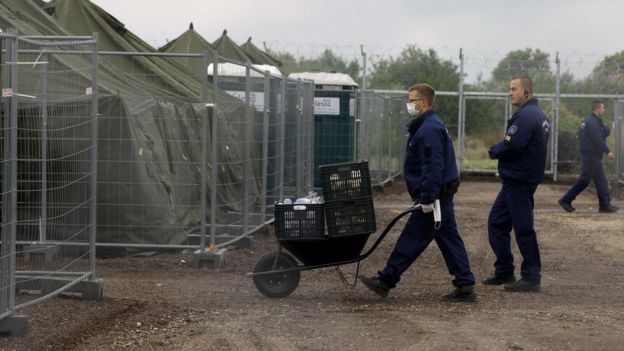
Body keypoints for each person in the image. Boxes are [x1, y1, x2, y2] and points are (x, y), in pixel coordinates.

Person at [359, 83, 476, 302]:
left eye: (411, 100)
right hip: (440, 196)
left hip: (435, 197)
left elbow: (433, 167)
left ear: (423, 103)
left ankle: (386, 280)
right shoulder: (427, 126)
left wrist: (428, 197)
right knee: (449, 239)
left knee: (412, 237)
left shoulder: (430, 129)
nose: (408, 104)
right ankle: (465, 284)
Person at [483, 76, 550, 293]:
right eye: (509, 89)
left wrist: (494, 150)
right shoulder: (537, 114)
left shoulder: (526, 116)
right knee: (496, 223)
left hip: (519, 181)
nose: (509, 93)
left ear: (527, 92)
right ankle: (504, 270)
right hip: (517, 179)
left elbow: (514, 145)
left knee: (523, 228)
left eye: (514, 89)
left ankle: (531, 277)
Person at [558, 101, 619, 213]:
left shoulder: (592, 121)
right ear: (597, 109)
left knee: (601, 180)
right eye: (603, 108)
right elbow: (597, 139)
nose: (604, 110)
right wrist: (608, 151)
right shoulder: (592, 122)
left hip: (593, 155)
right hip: (591, 155)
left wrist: (604, 129)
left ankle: (605, 205)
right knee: (585, 179)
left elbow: (606, 131)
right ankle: (566, 200)